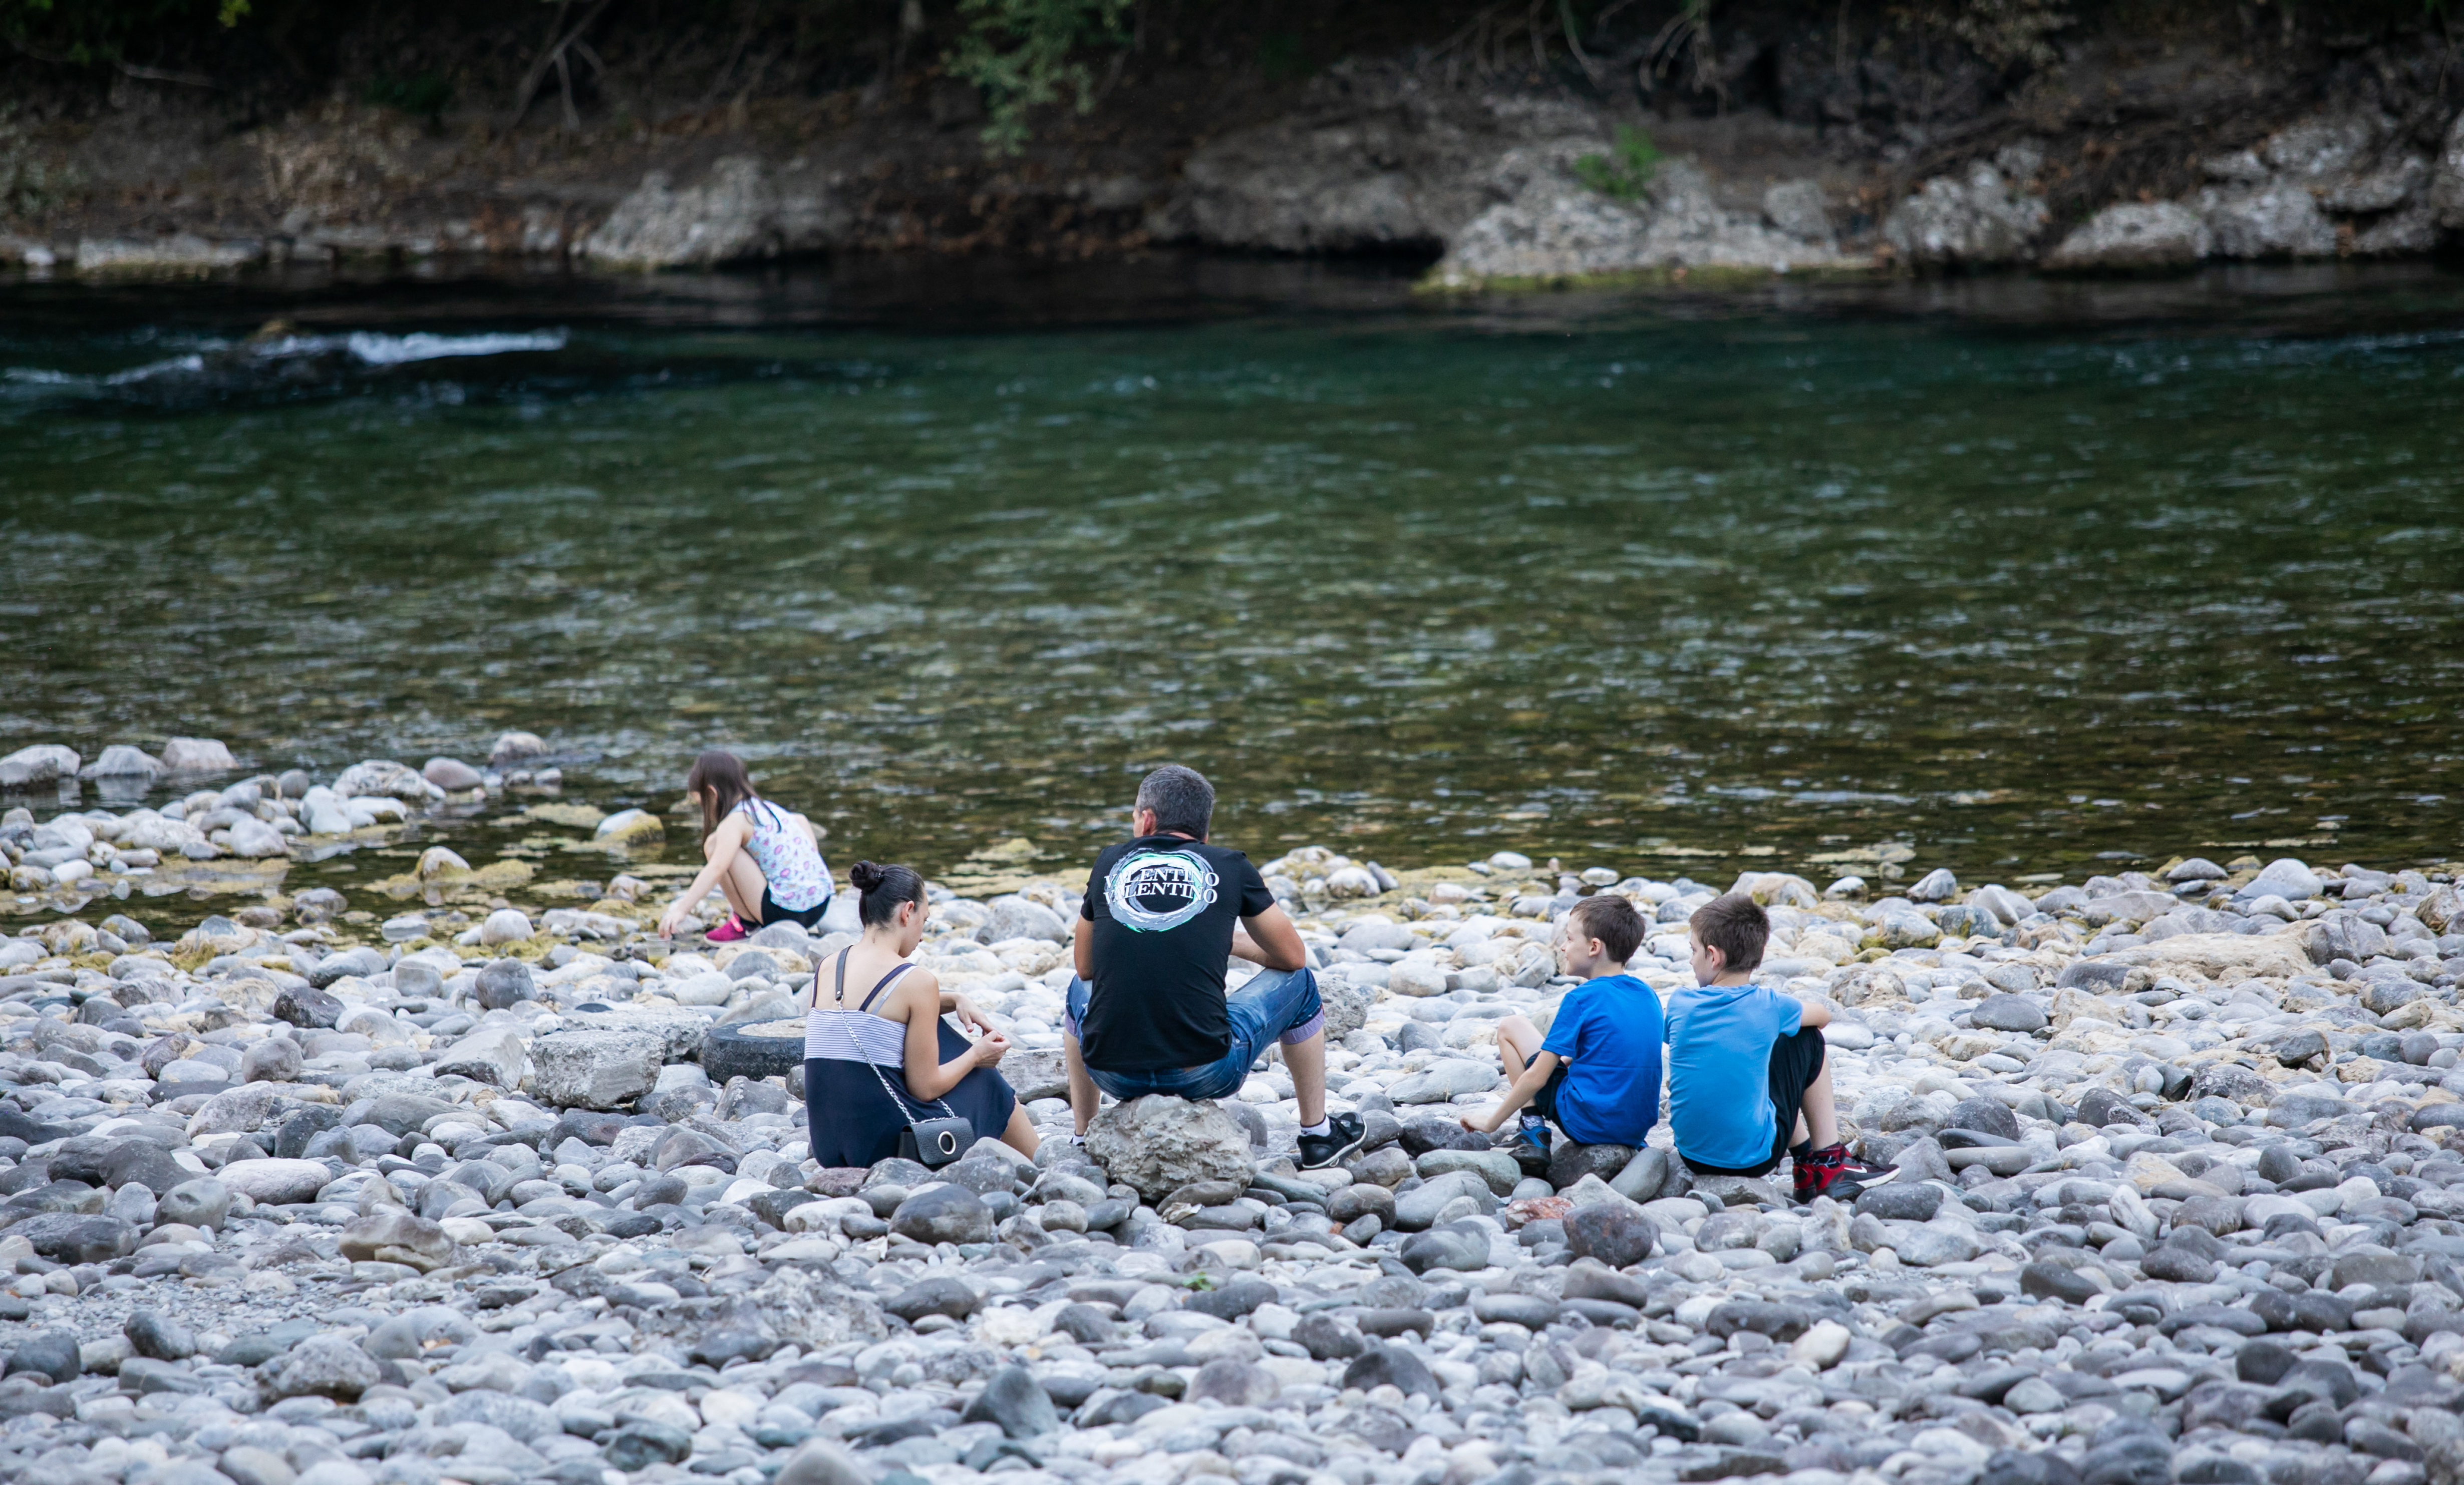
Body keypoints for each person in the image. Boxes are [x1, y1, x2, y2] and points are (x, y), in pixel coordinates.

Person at [1062, 764, 1365, 1170]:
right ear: (1204, 829)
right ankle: (1318, 1134)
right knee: (1302, 983)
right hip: (1206, 1073)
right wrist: (1228, 941)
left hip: (1112, 1074)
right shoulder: (1230, 865)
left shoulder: (1109, 863)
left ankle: (1084, 1135)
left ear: (1148, 819)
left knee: (1074, 991)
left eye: (1135, 814)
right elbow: (1293, 958)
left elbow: (1085, 967)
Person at [801, 860, 1037, 1167]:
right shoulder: (916, 981)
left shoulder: (828, 967)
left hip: (829, 1147)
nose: (923, 936)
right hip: (889, 1148)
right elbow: (924, 1088)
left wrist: (955, 999)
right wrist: (978, 1056)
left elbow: (877, 1013)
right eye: (924, 921)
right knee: (986, 1081)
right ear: (907, 911)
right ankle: (1044, 1165)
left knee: (926, 1028)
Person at [1664, 891, 1882, 1202]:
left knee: (1747, 1056)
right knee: (1806, 1038)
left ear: (1713, 956)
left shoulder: (1680, 1003)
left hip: (1692, 1154)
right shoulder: (1769, 1005)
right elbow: (1823, 1016)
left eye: (1693, 950)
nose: (1690, 959)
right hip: (1753, 1161)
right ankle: (1829, 1162)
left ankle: (1809, 1158)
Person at [1457, 894, 1663, 1159]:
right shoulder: (1647, 994)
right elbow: (1617, 1052)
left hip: (1587, 1124)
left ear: (1594, 947)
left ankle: (1532, 1129)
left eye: (1569, 938)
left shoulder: (1580, 999)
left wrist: (1491, 1122)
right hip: (1636, 1129)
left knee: (1511, 1026)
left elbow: (1537, 1078)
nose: (1563, 947)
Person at [657, 750, 833, 942]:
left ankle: (744, 924)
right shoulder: (770, 809)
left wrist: (680, 911)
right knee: (797, 820)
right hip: (820, 907)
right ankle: (799, 898)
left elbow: (716, 868)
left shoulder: (736, 820)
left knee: (714, 845)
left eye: (701, 803)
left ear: (712, 793)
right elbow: (802, 821)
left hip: (785, 914)